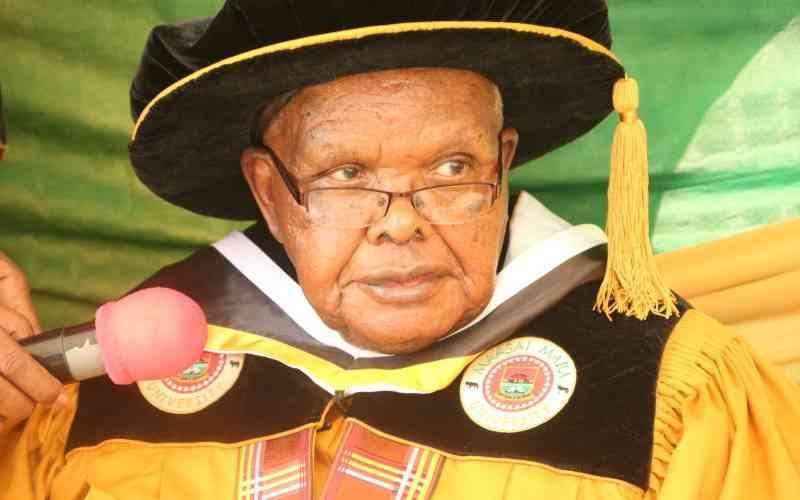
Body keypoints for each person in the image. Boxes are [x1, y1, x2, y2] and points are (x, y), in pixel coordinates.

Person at [1, 1, 799, 499]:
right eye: (346, 176)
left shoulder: (663, 387)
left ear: (503, 164)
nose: (400, 223)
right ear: (269, 191)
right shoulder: (104, 395)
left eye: (451, 169)